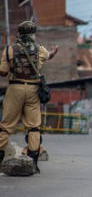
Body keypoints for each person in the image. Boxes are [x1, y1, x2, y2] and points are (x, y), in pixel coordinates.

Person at [0, 21, 58, 173]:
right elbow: (49, 56)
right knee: (33, 127)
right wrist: (53, 51)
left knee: (6, 126)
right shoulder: (40, 49)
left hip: (15, 88)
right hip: (33, 90)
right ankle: (32, 163)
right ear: (33, 33)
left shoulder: (10, 50)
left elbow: (3, 72)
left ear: (19, 33)